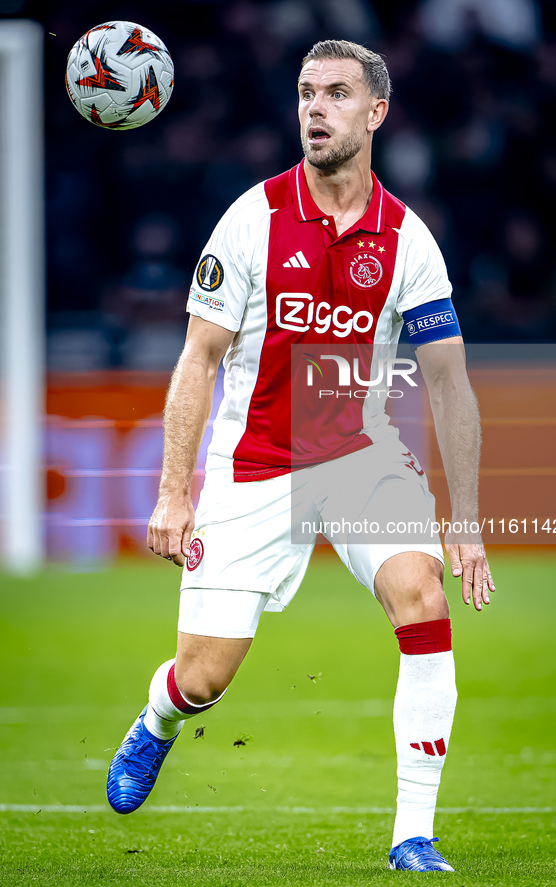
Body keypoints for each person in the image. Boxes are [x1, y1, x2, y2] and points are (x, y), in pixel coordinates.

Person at [106, 39, 495, 873]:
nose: (315, 109)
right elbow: (198, 358)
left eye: (336, 94)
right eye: (305, 93)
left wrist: (462, 522)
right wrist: (174, 491)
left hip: (360, 460)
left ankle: (412, 835)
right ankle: (158, 719)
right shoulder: (252, 218)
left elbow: (449, 384)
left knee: (422, 594)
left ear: (375, 113)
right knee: (205, 677)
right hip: (254, 466)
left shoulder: (408, 240)